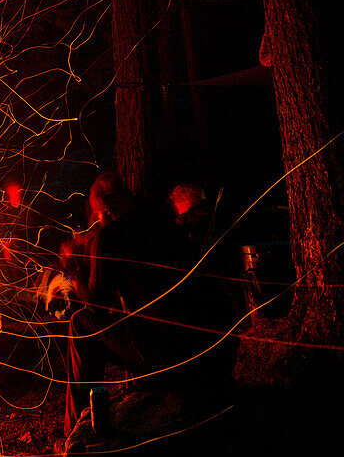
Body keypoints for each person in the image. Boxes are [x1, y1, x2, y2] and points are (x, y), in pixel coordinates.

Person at [64, 172, 236, 436]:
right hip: (208, 346)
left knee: (82, 324)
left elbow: (96, 304)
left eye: (97, 215)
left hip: (170, 355)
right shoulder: (161, 220)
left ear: (107, 212)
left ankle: (76, 429)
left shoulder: (107, 238)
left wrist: (75, 268)